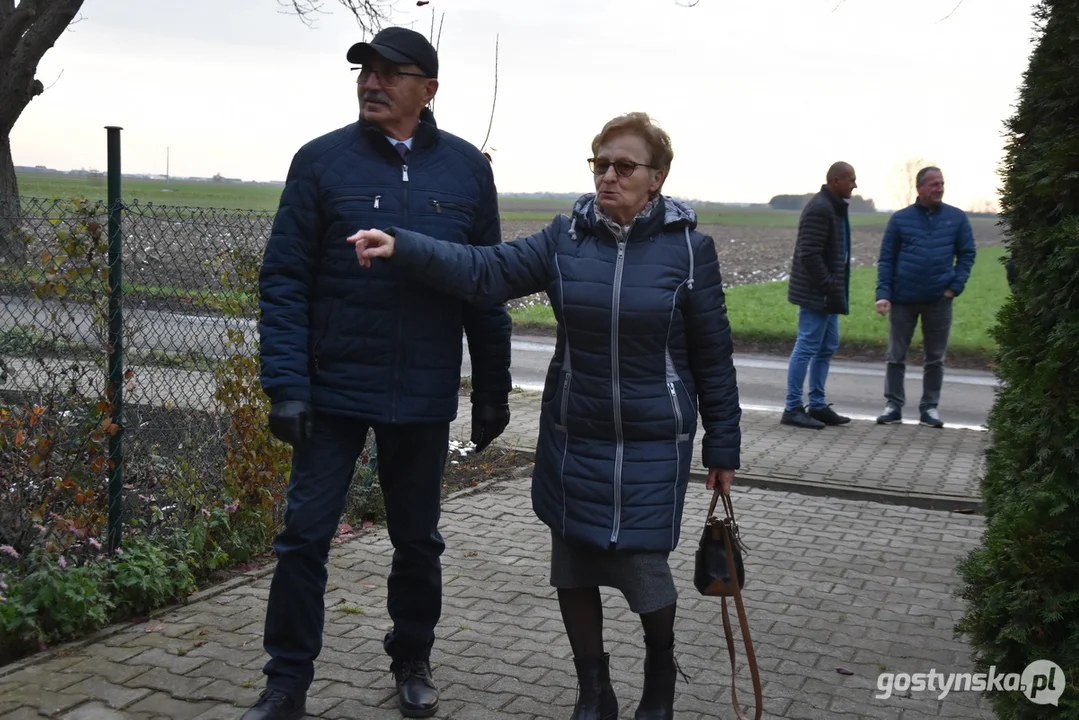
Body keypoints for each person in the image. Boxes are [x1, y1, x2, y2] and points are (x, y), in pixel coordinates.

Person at [349, 112, 742, 720]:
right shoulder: (565, 239)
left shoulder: (690, 250)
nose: (608, 176)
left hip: (652, 441)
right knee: (574, 566)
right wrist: (405, 246)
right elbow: (486, 271)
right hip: (573, 434)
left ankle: (659, 682)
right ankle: (593, 692)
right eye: (599, 162)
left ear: (657, 177)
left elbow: (714, 356)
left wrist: (724, 446)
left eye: (624, 166)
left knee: (644, 571)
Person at [246, 27, 512, 720]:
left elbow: (484, 281)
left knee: (417, 539)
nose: (372, 82)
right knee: (304, 536)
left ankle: (413, 655)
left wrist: (491, 387)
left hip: (421, 391)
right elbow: (283, 280)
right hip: (331, 388)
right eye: (366, 71)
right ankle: (287, 682)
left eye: (391, 73)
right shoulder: (320, 162)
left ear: (427, 90)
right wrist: (285, 385)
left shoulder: (464, 170)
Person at [874, 166, 976, 428]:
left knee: (935, 358)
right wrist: (884, 294)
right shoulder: (900, 219)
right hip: (903, 300)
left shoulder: (956, 218)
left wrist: (954, 287)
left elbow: (967, 254)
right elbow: (887, 259)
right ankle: (893, 405)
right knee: (896, 356)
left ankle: (929, 408)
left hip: (939, 301)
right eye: (933, 184)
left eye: (941, 183)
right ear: (919, 188)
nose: (939, 188)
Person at [781, 162, 857, 430]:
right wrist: (827, 286)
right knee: (807, 347)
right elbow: (809, 254)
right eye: (851, 180)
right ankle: (792, 408)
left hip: (828, 294)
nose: (855, 185)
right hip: (818, 295)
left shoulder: (834, 207)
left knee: (827, 347)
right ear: (836, 180)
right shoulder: (821, 208)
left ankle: (817, 405)